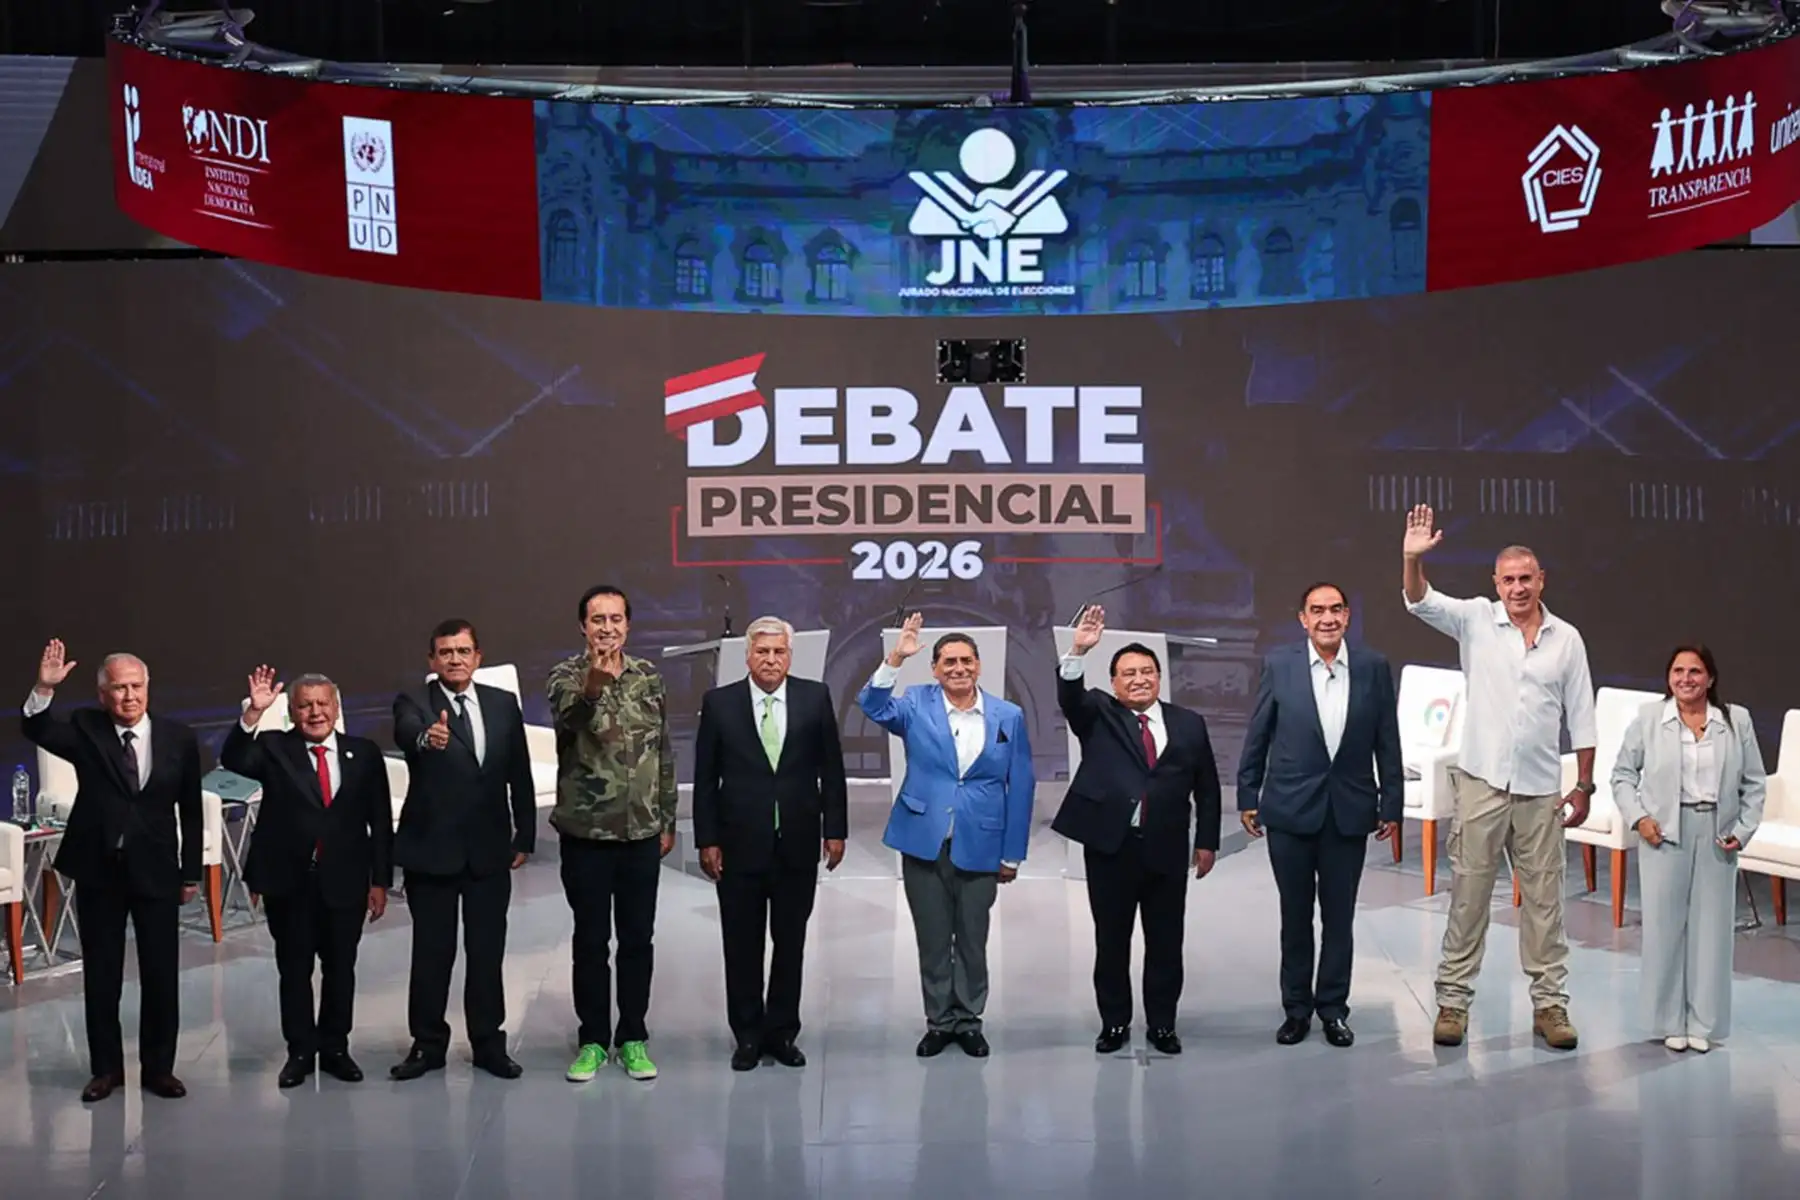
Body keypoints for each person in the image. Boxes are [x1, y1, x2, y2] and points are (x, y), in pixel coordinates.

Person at [1402, 505, 1596, 1051]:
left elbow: (1582, 716)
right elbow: (1419, 600)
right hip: (1482, 784)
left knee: (1545, 905)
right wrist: (1412, 559)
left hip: (1540, 791)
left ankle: (1550, 1005)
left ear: (1541, 580)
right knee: (1469, 898)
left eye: (1525, 578)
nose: (1517, 588)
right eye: (1508, 579)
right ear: (1495, 583)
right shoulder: (1475, 619)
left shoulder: (1567, 639)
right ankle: (1453, 1002)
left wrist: (1583, 784)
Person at [21, 640, 201, 1102]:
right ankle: (106, 1070)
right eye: (119, 688)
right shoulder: (87, 729)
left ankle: (159, 1069)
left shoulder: (178, 737)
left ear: (148, 688)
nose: (129, 696)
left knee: (161, 974)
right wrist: (44, 687)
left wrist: (190, 873)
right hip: (100, 870)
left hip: (157, 870)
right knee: (102, 975)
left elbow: (190, 808)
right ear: (103, 694)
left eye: (136, 686)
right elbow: (37, 728)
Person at [859, 613, 1036, 1058]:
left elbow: (1021, 785)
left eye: (966, 661)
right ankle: (939, 1021)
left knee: (973, 940)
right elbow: (872, 706)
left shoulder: (1008, 715)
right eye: (949, 662)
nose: (959, 668)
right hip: (924, 839)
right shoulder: (915, 704)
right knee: (933, 938)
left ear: (979, 665)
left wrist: (1012, 854)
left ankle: (969, 1021)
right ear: (935, 669)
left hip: (983, 841)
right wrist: (895, 659)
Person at [1237, 584, 1403, 1048]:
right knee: (1295, 917)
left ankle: (1333, 1010)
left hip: (1348, 811)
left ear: (1347, 616)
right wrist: (1248, 793)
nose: (1327, 618)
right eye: (1317, 610)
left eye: (1335, 610)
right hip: (1289, 810)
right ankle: (1296, 1010)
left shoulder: (1372, 667)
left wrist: (1391, 802)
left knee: (1339, 918)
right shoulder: (1280, 664)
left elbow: (1387, 739)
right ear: (1303, 619)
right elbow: (1259, 733)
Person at [1051, 605, 1222, 1056]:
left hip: (1167, 848)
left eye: (1147, 671)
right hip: (1112, 848)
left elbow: (1207, 787)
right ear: (1113, 683)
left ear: (1159, 677)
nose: (1139, 679)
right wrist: (1077, 651)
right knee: (1112, 942)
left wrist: (1207, 842)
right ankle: (1114, 1023)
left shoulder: (1188, 723)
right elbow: (1070, 696)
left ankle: (1163, 1024)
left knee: (1166, 942)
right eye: (1128, 674)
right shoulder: (1098, 713)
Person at [222, 666, 393, 1088]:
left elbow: (380, 821)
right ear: (292, 711)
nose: (315, 712)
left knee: (341, 969)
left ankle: (335, 1048)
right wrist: (252, 713)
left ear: (336, 707)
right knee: (294, 970)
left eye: (322, 704)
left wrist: (380, 881)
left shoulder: (364, 753)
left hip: (346, 881)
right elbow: (234, 759)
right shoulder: (274, 747)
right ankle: (300, 1051)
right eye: (305, 706)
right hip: (289, 883)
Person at [692, 616, 849, 1071]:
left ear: (790, 656)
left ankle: (781, 1033)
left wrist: (835, 830)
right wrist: (707, 839)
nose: (770, 660)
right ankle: (746, 1035)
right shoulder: (720, 703)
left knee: (790, 942)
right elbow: (705, 779)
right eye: (762, 652)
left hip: (797, 843)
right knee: (741, 945)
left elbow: (831, 770)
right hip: (738, 845)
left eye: (779, 652)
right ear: (747, 656)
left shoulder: (814, 697)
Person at [390, 618, 535, 1081]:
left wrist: (525, 834)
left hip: (488, 852)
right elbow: (407, 733)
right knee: (432, 954)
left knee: (487, 953)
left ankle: (489, 1045)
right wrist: (426, 739)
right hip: (432, 852)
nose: (455, 659)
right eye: (446, 652)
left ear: (478, 656)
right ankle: (427, 1045)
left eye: (463, 651)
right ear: (432, 660)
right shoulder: (415, 703)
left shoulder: (502, 703)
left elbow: (519, 771)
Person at [545, 585, 677, 1084]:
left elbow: (663, 751)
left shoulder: (648, 676)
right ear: (583, 626)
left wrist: (667, 818)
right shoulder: (565, 676)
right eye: (598, 619)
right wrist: (594, 686)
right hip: (587, 835)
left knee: (638, 939)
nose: (607, 628)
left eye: (616, 619)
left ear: (628, 624)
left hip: (641, 832)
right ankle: (594, 1040)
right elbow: (571, 718)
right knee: (591, 941)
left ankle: (633, 1036)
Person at [1610, 644, 1765, 1053]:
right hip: (1664, 832)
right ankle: (1667, 1021)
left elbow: (1755, 783)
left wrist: (1743, 830)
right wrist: (1639, 818)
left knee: (1712, 933)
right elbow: (1622, 775)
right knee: (1664, 929)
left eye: (1694, 671)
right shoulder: (1649, 719)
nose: (1685, 679)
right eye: (1678, 671)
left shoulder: (1735, 721)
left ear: (1710, 678)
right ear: (1668, 678)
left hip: (1717, 833)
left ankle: (1703, 1023)